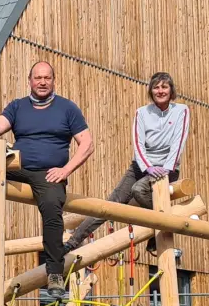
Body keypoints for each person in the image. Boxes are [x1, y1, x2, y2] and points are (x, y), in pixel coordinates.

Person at [0, 60, 93, 301]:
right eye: (38, 78)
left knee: (51, 207)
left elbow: (87, 143)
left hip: (49, 172)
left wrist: (66, 170)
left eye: (47, 78)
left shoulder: (67, 108)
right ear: (30, 81)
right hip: (17, 166)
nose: (42, 82)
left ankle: (55, 273)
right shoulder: (18, 107)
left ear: (53, 81)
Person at [64, 72, 189, 252]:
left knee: (138, 189)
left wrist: (167, 168)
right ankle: (73, 242)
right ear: (151, 90)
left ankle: (161, 224)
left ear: (171, 90)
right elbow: (138, 143)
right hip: (142, 165)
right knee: (111, 204)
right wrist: (147, 166)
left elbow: (179, 141)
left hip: (167, 168)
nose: (160, 91)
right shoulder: (142, 113)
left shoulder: (181, 111)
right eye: (156, 87)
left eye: (164, 87)